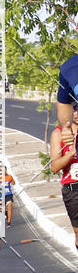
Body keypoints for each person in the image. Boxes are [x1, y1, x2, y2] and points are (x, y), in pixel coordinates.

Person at [50, 104, 78, 250]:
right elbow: (54, 167)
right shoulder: (59, 133)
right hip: (73, 190)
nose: (76, 114)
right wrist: (72, 152)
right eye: (75, 110)